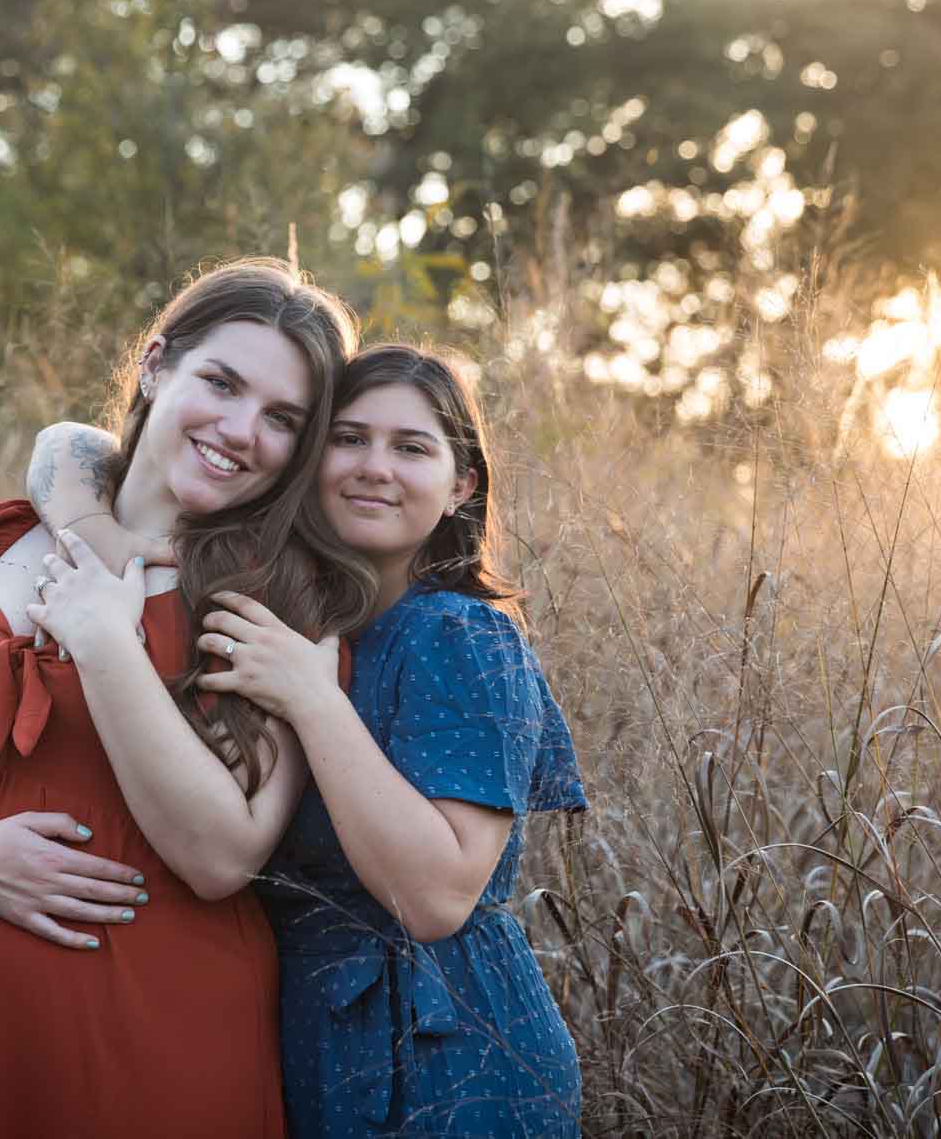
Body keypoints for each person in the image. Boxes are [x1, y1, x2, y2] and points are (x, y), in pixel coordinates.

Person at [0, 258, 373, 1139]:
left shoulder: (285, 606)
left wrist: (106, 640)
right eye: (221, 382)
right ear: (157, 363)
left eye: (282, 419)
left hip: (161, 1029)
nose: (239, 429)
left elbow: (222, 856)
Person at [31, 344, 587, 1136]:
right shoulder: (298, 609)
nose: (374, 466)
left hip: (451, 1050)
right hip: (314, 1036)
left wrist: (310, 699)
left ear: (462, 484)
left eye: (412, 447)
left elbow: (436, 898)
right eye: (349, 437)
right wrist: (92, 527)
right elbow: (69, 443)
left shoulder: (459, 632)